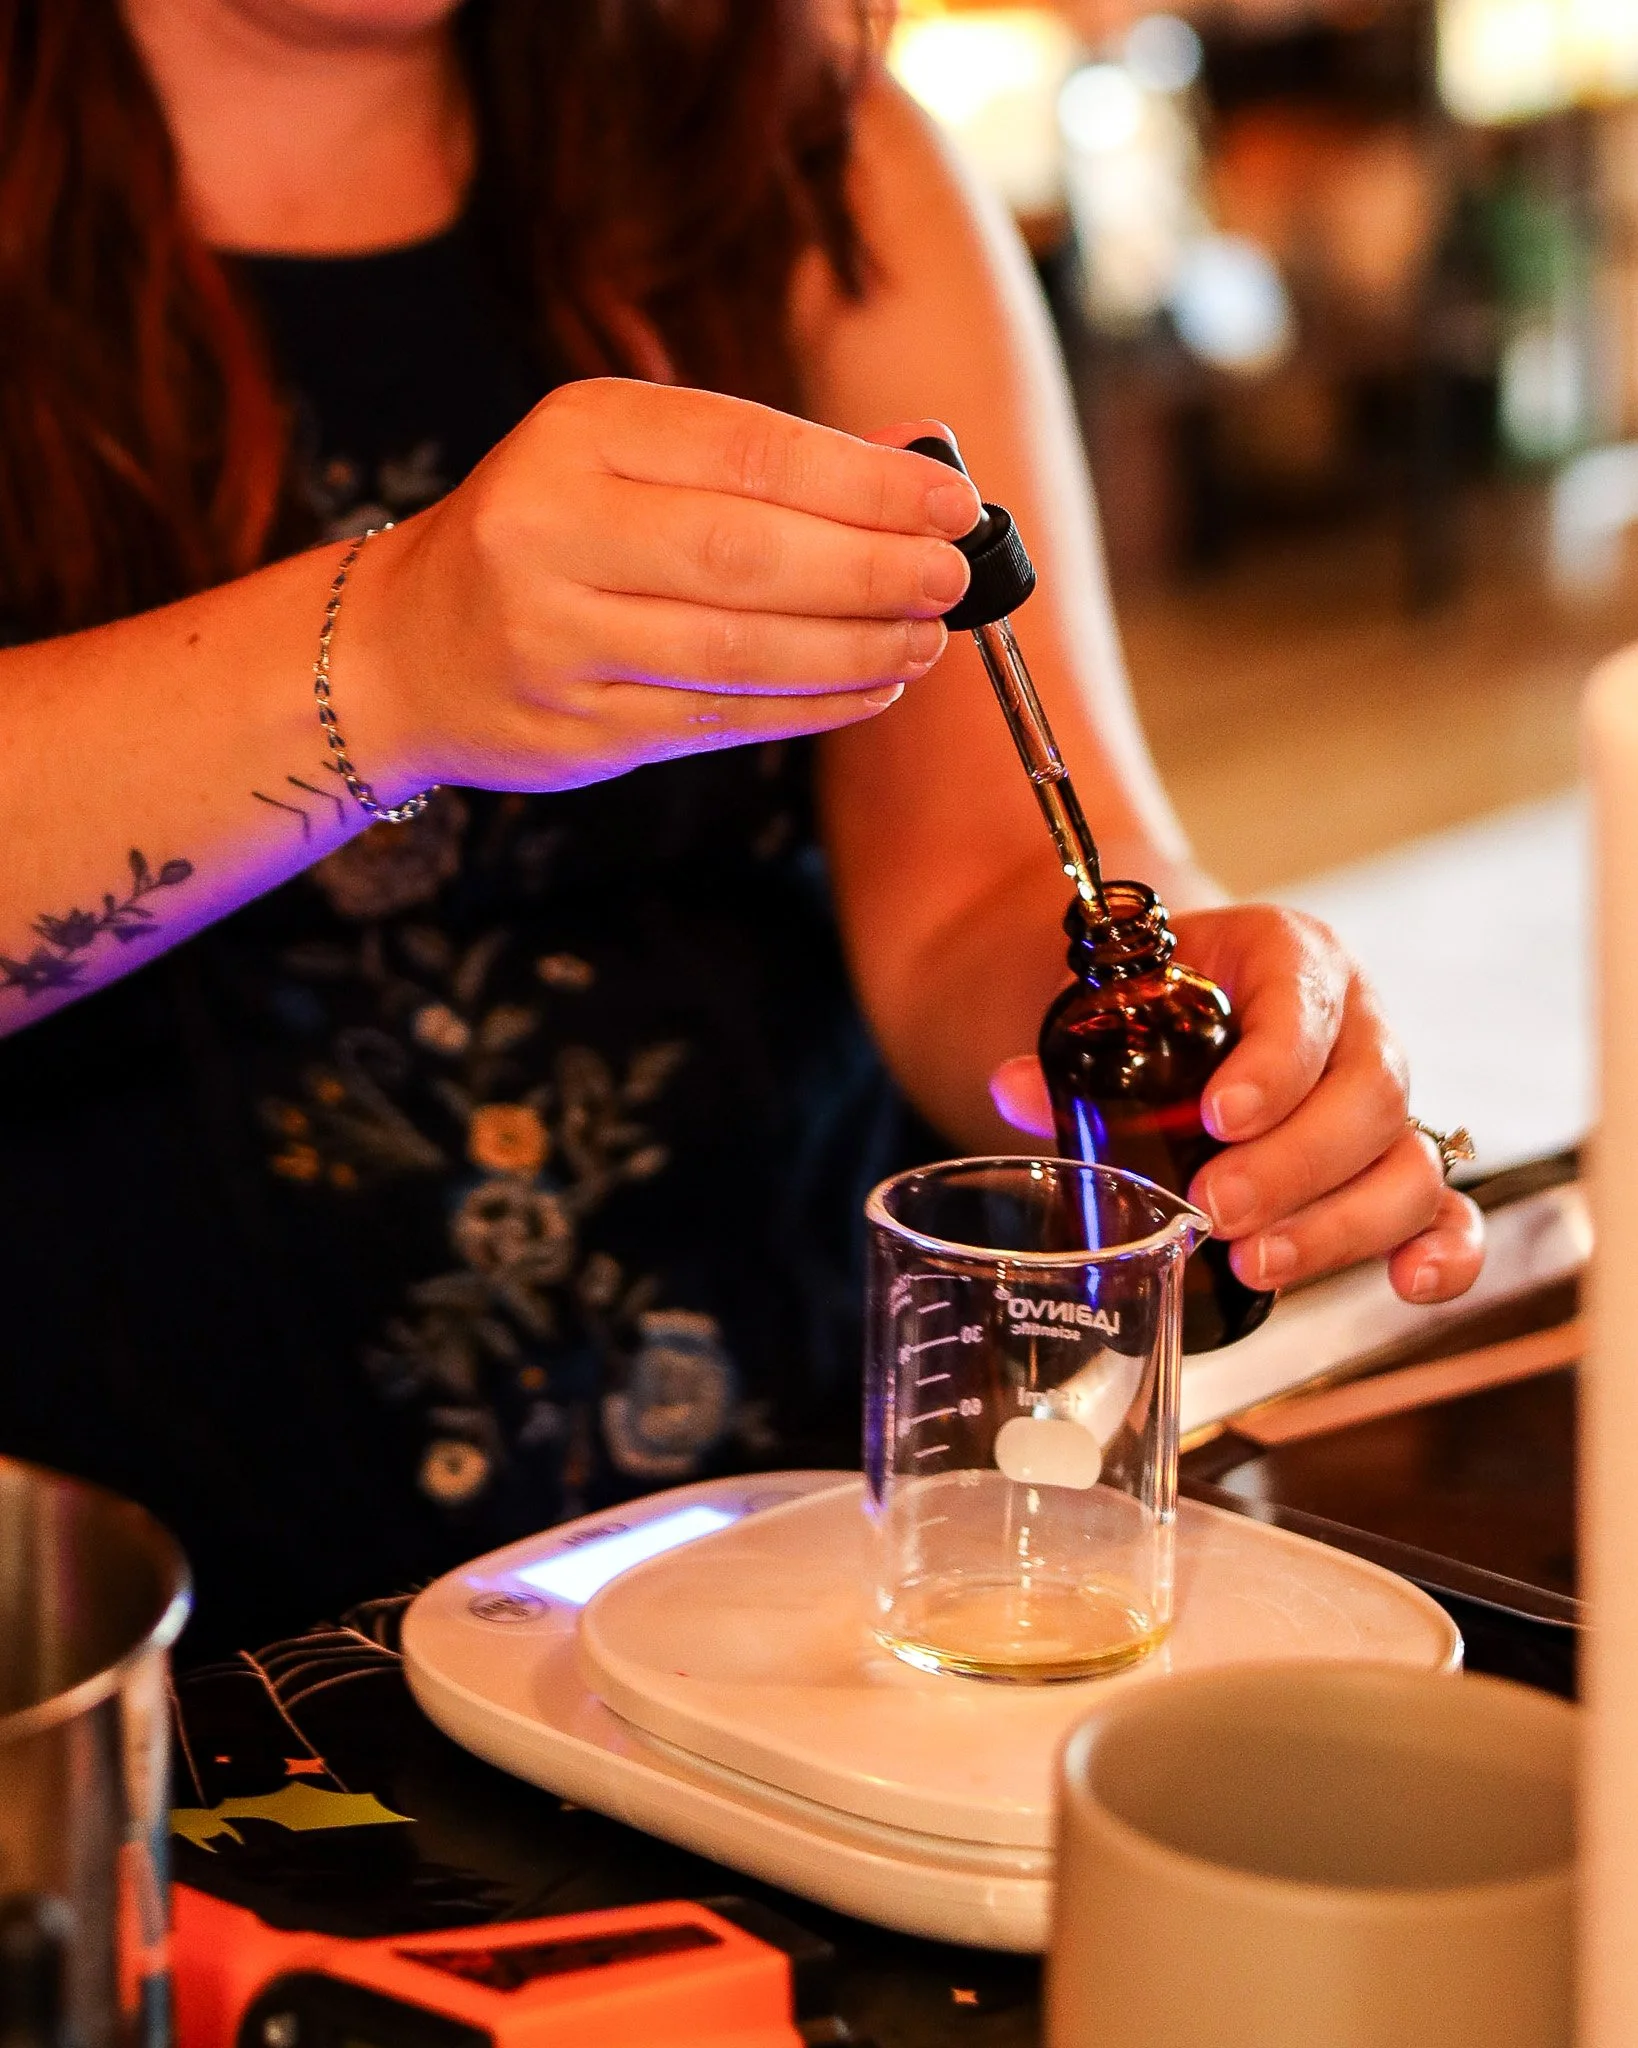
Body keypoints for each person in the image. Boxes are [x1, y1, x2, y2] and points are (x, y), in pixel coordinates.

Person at [0, 0, 1483, 1652]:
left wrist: (1219, 1041)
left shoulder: (793, 136)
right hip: (141, 1643)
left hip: (798, 1590)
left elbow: (974, 895)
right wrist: (388, 657)